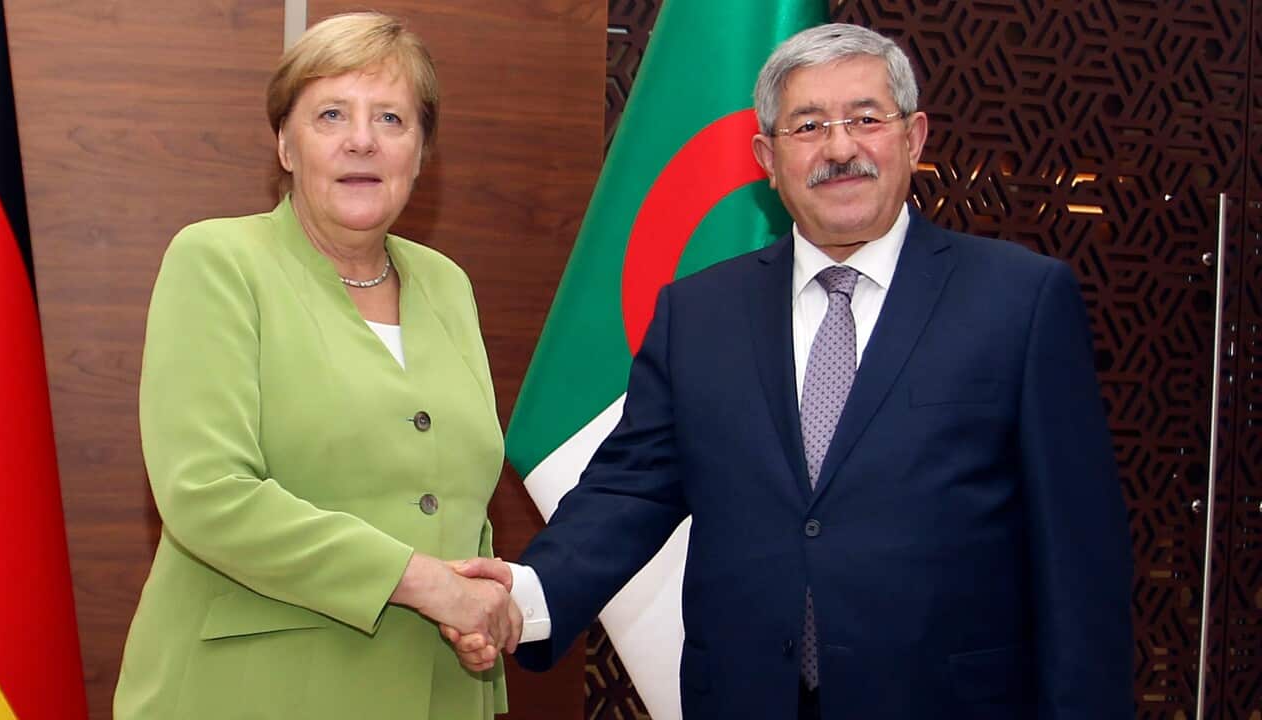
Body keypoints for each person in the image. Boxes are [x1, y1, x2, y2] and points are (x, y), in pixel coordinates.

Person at [449, 22, 1134, 720]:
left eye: (867, 119)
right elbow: (628, 495)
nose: (840, 148)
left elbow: (1080, 563)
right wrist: (522, 600)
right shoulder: (699, 314)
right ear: (766, 158)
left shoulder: (1020, 301)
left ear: (914, 137)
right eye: (808, 127)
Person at [114, 12, 521, 719]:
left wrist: (480, 602)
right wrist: (426, 583)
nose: (361, 139)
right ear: (285, 144)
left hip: (436, 692)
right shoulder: (217, 261)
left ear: (421, 152)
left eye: (391, 118)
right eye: (331, 114)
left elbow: (451, 484)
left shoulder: (446, 283)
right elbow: (207, 492)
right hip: (252, 693)